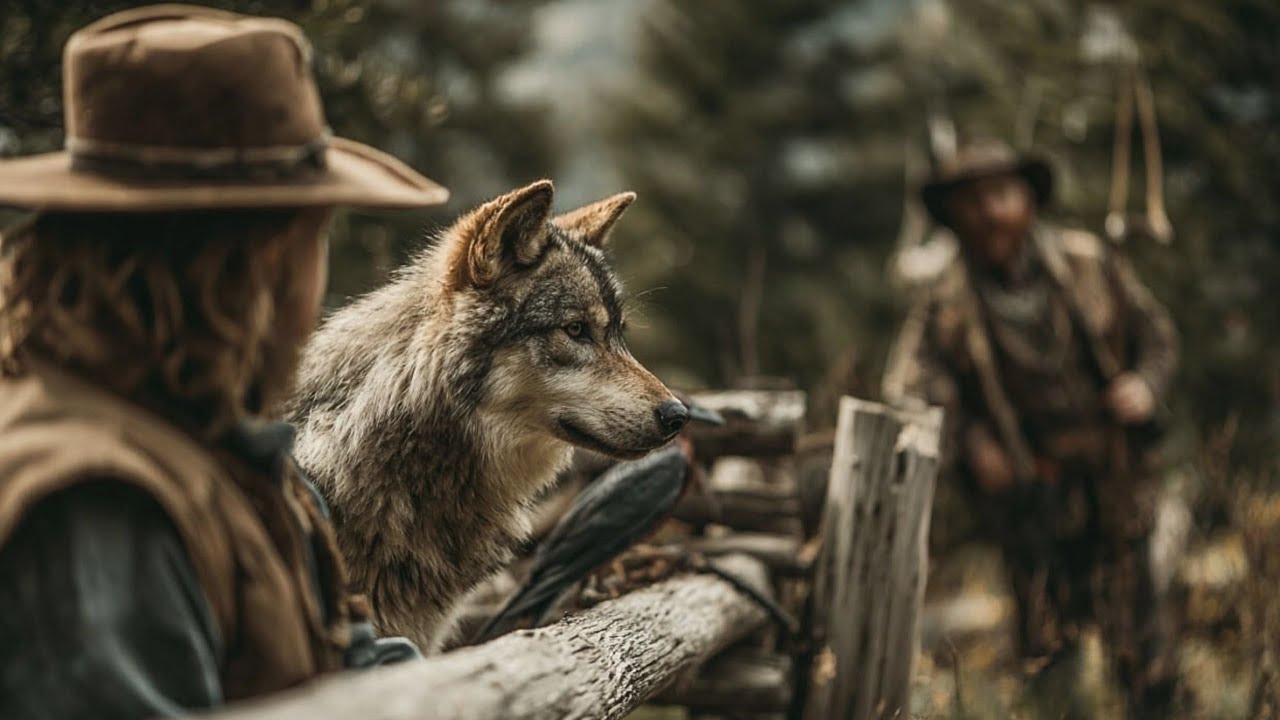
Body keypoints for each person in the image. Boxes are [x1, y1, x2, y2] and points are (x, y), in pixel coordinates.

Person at [0, 5, 448, 719]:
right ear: (265, 261)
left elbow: (345, 667)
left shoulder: (222, 451)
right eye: (317, 238)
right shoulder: (96, 502)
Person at [882, 137, 1179, 714]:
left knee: (1142, 646)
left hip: (1115, 480)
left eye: (1000, 195)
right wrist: (970, 441)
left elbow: (1158, 338)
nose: (988, 213)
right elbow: (910, 387)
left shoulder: (1089, 262)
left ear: (1029, 200)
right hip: (1030, 495)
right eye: (970, 203)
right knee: (1047, 647)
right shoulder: (944, 299)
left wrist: (1144, 386)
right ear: (953, 217)